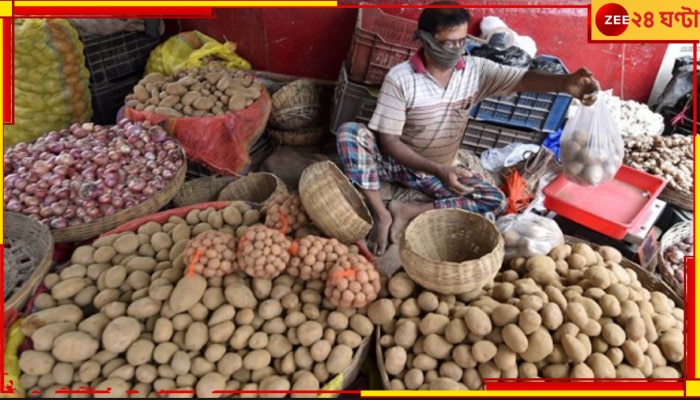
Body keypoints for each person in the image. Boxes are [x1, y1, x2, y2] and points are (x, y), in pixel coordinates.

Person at [337, 2, 601, 256]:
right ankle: (381, 214)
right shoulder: (401, 78)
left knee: (494, 201)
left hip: (440, 171)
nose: (454, 49)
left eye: (460, 42)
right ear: (424, 39)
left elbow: (522, 79)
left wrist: (565, 83)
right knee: (350, 132)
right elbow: (389, 142)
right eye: (446, 43)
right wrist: (439, 170)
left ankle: (407, 210)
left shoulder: (474, 71)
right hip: (397, 163)